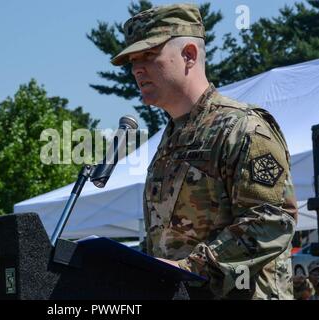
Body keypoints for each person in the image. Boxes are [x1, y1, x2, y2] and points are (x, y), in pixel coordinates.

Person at [111, 4, 298, 299]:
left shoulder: (243, 127)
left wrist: (189, 268)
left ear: (189, 54)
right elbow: (162, 238)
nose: (136, 69)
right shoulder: (172, 138)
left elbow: (272, 220)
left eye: (148, 55)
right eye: (132, 61)